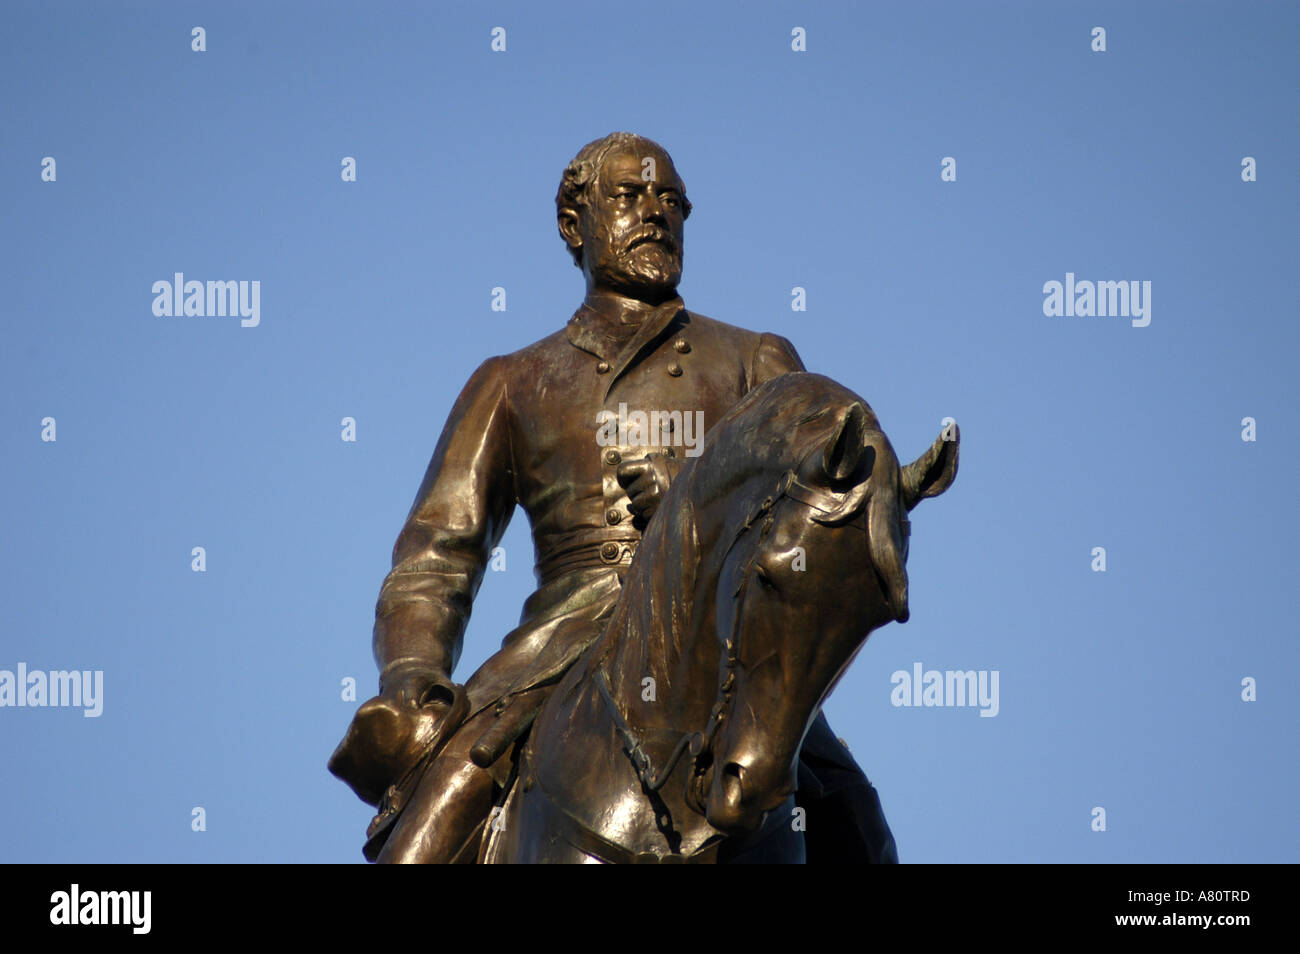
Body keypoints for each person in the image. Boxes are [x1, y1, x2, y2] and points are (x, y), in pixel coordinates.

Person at [335, 132, 897, 863]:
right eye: (629, 197)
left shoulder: (754, 358)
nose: (655, 214)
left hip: (721, 650)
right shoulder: (514, 379)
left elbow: (819, 506)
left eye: (671, 201)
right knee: (423, 837)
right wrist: (412, 676)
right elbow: (436, 558)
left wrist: (695, 524)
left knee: (858, 822)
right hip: (559, 646)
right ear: (576, 225)